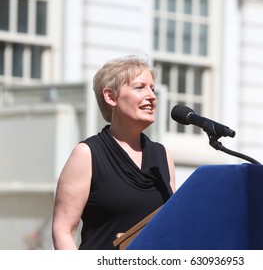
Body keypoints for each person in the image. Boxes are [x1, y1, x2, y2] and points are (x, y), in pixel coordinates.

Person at [52, 55, 176, 250]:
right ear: (110, 96)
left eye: (152, 89)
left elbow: (171, 224)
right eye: (139, 87)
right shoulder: (87, 154)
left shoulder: (163, 156)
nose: (152, 96)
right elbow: (63, 231)